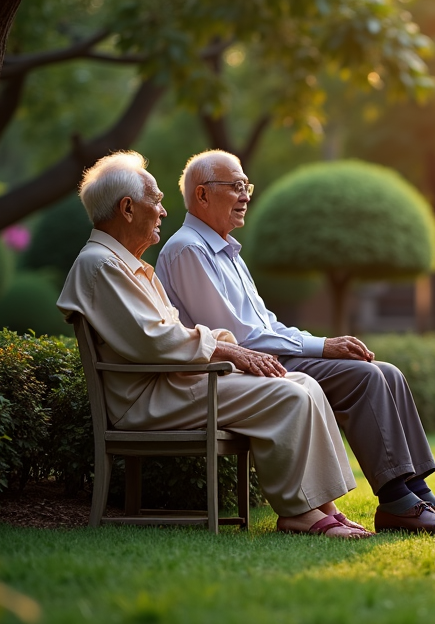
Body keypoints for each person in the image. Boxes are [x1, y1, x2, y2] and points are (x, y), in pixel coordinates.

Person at [156, 150, 435, 534]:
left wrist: (321, 343)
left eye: (246, 185)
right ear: (202, 195)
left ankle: (420, 495)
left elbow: (268, 324)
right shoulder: (188, 250)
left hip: (269, 359)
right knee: (364, 378)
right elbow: (242, 337)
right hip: (246, 368)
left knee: (388, 373)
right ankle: (398, 504)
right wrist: (323, 346)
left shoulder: (226, 251)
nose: (246, 194)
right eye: (235, 186)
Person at [57, 151, 378, 540]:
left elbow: (164, 333)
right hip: (148, 400)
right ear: (127, 208)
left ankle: (322, 506)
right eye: (155, 201)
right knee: (288, 395)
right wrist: (230, 351)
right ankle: (299, 512)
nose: (162, 211)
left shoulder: (126, 263)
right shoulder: (102, 264)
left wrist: (233, 350)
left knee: (303, 384)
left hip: (171, 387)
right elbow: (155, 340)